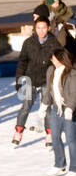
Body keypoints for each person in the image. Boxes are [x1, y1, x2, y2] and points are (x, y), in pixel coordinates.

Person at [15, 15, 62, 147]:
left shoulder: (54, 43)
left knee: (46, 108)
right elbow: (22, 62)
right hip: (31, 79)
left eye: (44, 28)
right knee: (26, 106)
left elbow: (59, 62)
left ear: (49, 28)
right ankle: (18, 131)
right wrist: (19, 79)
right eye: (38, 28)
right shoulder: (29, 43)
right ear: (35, 29)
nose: (41, 31)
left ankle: (49, 135)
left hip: (47, 80)